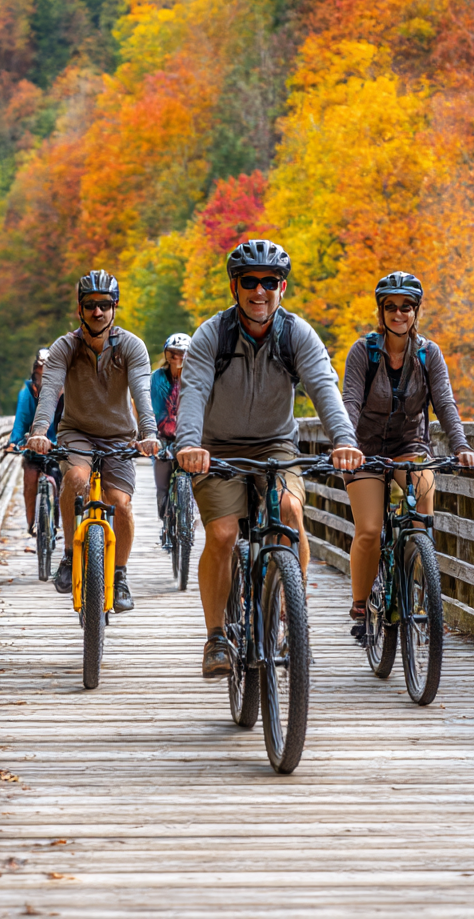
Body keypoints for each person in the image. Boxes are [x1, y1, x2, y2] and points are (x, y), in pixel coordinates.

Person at [175, 239, 364, 677]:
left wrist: (344, 440)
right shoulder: (212, 335)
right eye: (249, 282)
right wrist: (188, 443)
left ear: (282, 287)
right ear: (234, 287)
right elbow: (195, 390)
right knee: (222, 534)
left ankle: (289, 609)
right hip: (216, 449)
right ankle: (217, 636)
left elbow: (324, 388)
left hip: (275, 445)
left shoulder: (296, 333)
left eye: (269, 282)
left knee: (288, 508)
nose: (259, 291)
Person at [340, 271, 474, 624]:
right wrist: (346, 445)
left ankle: (412, 581)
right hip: (364, 449)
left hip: (410, 444)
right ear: (381, 312)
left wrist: (460, 445)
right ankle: (360, 601)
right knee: (369, 529)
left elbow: (445, 403)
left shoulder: (429, 354)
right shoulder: (363, 351)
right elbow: (350, 403)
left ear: (416, 311)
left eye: (406, 307)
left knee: (422, 511)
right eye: (390, 307)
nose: (398, 314)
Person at [27, 270, 160, 613]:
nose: (97, 312)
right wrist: (40, 431)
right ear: (79, 309)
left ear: (115, 308)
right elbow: (50, 392)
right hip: (78, 432)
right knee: (75, 479)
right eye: (90, 305)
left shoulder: (131, 346)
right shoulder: (65, 347)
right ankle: (71, 556)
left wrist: (149, 434)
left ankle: (120, 575)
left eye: (104, 305)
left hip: (119, 436)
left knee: (121, 502)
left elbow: (142, 393)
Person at [7, 348, 63, 535]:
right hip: (33, 446)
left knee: (66, 479)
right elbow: (21, 420)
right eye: (40, 373)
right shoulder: (27, 393)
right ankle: (32, 524)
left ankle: (61, 521)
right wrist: (15, 441)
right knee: (30, 478)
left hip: (58, 447)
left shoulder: (66, 393)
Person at [151, 331, 191, 529]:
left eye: (183, 353)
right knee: (163, 488)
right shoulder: (157, 378)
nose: (177, 357)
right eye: (172, 353)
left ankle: (190, 520)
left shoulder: (196, 378)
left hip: (190, 440)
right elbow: (148, 406)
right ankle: (166, 519)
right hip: (163, 438)